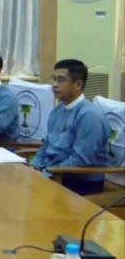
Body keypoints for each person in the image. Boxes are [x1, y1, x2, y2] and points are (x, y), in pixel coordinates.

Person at [30, 59, 112, 195]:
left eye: (61, 80)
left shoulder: (89, 116)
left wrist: (47, 173)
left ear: (78, 84)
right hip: (53, 172)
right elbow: (46, 145)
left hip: (79, 180)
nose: (54, 85)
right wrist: (34, 166)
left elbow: (81, 160)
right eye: (53, 79)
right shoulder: (57, 110)